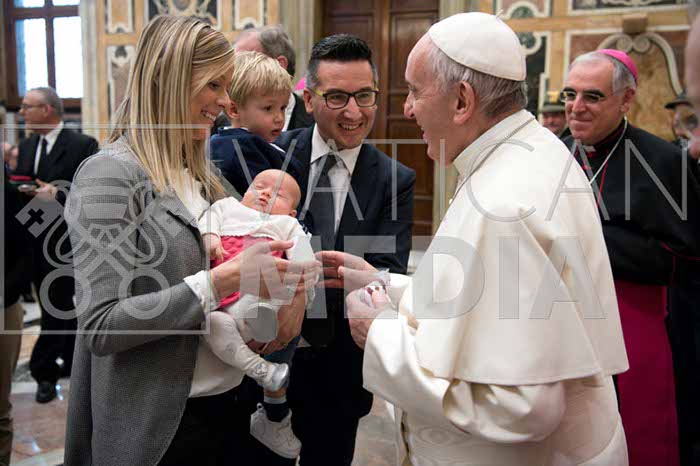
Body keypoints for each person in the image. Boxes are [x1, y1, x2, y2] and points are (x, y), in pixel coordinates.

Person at [330, 13, 629, 465]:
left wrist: (379, 333)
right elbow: (486, 294)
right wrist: (387, 285)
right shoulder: (534, 151)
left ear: (462, 100)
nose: (407, 108)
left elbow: (518, 407)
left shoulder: (503, 203)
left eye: (415, 90)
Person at [62, 15, 318, 466]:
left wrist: (295, 294)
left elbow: (255, 240)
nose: (223, 101)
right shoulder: (110, 174)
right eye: (213, 85)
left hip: (226, 408)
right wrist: (220, 282)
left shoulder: (204, 176)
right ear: (168, 81)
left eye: (226, 86)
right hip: (162, 425)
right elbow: (102, 325)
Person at [255, 34, 415, 466]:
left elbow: (386, 271)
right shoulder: (270, 153)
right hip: (261, 361)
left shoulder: (395, 180)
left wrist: (361, 278)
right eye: (337, 97)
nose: (354, 112)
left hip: (339, 371)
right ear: (308, 100)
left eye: (364, 96)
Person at [562, 49, 700, 466]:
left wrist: (585, 238)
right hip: (560, 321)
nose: (576, 107)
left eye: (592, 96)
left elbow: (684, 255)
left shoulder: (664, 162)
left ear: (626, 100)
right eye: (570, 94)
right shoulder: (554, 154)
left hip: (635, 323)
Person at [200, 169, 312, 459]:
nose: (265, 193)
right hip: (222, 298)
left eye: (278, 194)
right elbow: (208, 220)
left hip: (260, 288)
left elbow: (304, 259)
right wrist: (211, 239)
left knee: (270, 286)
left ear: (292, 212)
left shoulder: (287, 224)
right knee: (212, 324)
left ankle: (262, 321)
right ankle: (262, 371)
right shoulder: (227, 206)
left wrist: (300, 288)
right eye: (258, 186)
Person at [12, 86, 98, 403]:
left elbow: (91, 192)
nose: (22, 113)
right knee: (59, 307)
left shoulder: (82, 144)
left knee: (57, 304)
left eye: (27, 107)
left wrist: (57, 194)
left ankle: (44, 372)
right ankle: (71, 362)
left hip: (62, 239)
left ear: (46, 110)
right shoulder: (27, 146)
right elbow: (21, 182)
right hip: (29, 238)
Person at [210, 51, 304, 196]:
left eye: (283, 108)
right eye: (268, 108)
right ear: (234, 110)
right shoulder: (242, 152)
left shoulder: (248, 143)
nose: (279, 118)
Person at [213, 24, 314, 133]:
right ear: (234, 110)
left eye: (247, 62)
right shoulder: (217, 122)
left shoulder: (315, 123)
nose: (234, 72)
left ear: (280, 65)